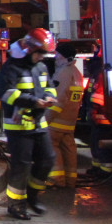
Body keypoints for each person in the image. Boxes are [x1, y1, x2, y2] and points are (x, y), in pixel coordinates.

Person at [0, 27, 57, 220]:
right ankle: (15, 205)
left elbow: (50, 88)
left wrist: (48, 98)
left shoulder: (41, 67)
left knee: (47, 159)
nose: (42, 57)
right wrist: (32, 101)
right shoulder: (11, 67)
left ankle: (32, 197)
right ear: (29, 49)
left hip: (38, 123)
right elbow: (6, 93)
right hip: (19, 126)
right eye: (40, 53)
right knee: (21, 165)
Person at [44, 42, 85, 188]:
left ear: (63, 56)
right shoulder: (76, 72)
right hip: (70, 120)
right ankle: (70, 180)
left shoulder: (63, 73)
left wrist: (46, 118)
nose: (55, 57)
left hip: (57, 121)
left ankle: (57, 180)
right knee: (69, 149)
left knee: (51, 146)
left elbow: (58, 99)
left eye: (57, 54)